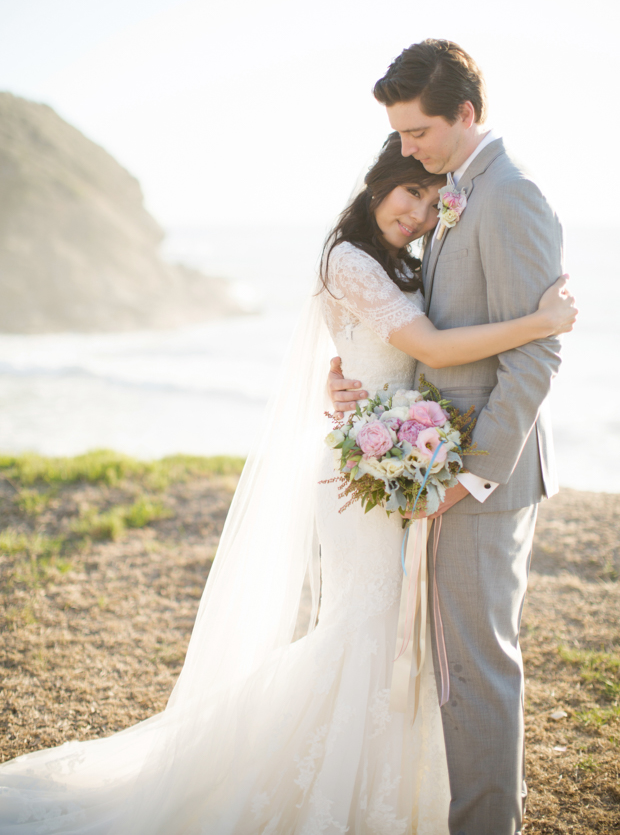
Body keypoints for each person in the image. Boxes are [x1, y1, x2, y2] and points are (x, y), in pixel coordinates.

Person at [0, 135, 575, 833]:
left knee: (398, 627)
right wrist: (540, 324)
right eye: (409, 193)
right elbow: (428, 346)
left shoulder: (401, 261)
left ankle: (397, 786)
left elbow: (395, 349)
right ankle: (336, 787)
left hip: (390, 456)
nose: (420, 213)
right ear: (375, 186)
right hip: (362, 471)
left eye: (431, 201)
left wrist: (350, 384)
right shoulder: (349, 259)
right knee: (365, 624)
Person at [329, 39, 566, 835]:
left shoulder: (509, 196)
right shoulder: (458, 193)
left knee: (479, 671)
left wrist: (477, 475)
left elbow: (537, 352)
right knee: (455, 667)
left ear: (465, 115)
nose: (404, 150)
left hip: (480, 478)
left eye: (415, 133)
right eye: (398, 137)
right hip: (439, 464)